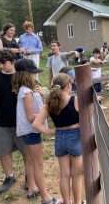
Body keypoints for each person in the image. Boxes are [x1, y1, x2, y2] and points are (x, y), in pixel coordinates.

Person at [12, 58, 61, 204]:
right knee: (38, 165)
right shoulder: (26, 92)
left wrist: (39, 95)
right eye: (33, 73)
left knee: (33, 162)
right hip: (31, 131)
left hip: (31, 132)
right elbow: (30, 116)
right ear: (26, 74)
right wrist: (47, 113)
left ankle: (34, 188)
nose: (35, 75)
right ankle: (45, 198)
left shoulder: (28, 90)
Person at [33, 73, 83, 204]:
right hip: (75, 138)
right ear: (68, 85)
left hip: (60, 139)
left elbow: (36, 124)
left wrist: (51, 132)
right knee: (77, 175)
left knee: (64, 175)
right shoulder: (75, 100)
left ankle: (67, 202)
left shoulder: (50, 103)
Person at [0, 50, 27, 194]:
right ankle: (9, 177)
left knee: (26, 151)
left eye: (4, 63)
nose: (1, 66)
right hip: (1, 121)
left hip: (22, 122)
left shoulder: (21, 76)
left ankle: (29, 176)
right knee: (3, 152)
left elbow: (34, 93)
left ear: (13, 62)